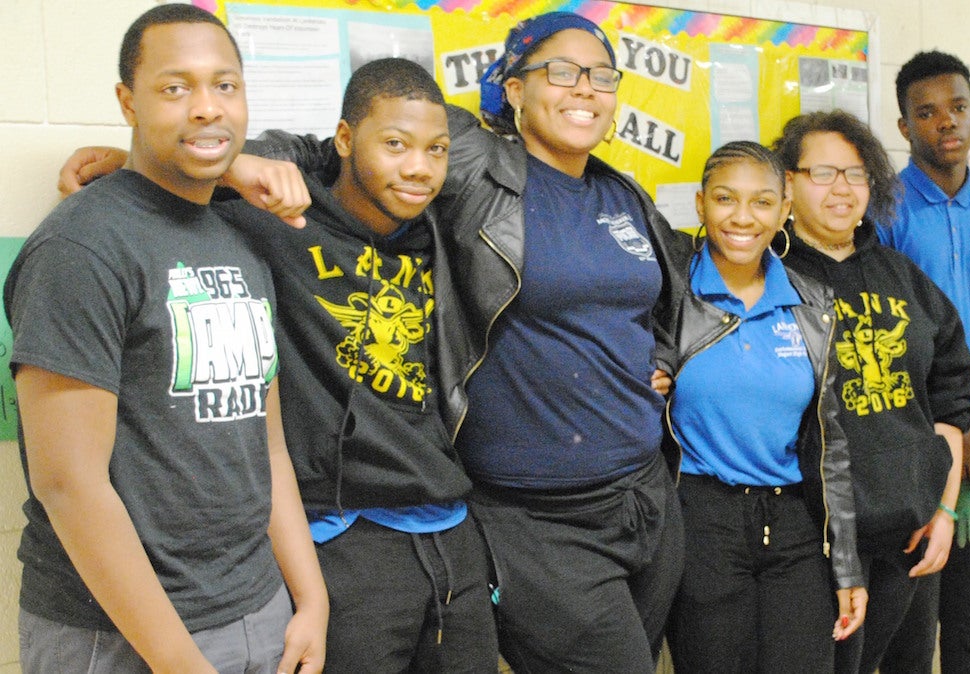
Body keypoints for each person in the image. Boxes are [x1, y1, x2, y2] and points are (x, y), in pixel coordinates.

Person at [207, 11, 694, 672]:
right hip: (536, 515)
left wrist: (659, 361)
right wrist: (207, 163)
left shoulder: (622, 192)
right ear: (515, 89)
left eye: (602, 76)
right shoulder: (472, 160)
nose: (586, 88)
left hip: (643, 499)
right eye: (562, 71)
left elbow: (662, 303)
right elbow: (339, 149)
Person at [55, 57, 500, 672]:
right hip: (343, 536)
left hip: (451, 530)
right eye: (394, 144)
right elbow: (176, 178)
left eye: (436, 150)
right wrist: (146, 157)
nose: (418, 167)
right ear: (345, 140)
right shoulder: (273, 219)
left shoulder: (442, 230)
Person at [8, 4, 327, 673]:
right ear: (127, 101)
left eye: (225, 85)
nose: (208, 108)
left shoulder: (239, 242)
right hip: (120, 633)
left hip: (258, 609)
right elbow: (70, 485)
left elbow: (262, 441)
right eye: (175, 87)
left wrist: (311, 599)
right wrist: (180, 663)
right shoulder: (81, 247)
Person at [771, 110, 970, 674]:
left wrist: (943, 508)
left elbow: (951, 400)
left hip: (910, 530)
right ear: (787, 182)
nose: (843, 188)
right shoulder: (769, 276)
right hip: (817, 537)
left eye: (857, 174)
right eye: (824, 172)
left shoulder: (901, 274)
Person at [664, 141, 865, 673]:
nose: (743, 218)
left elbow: (831, 445)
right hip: (701, 517)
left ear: (784, 209)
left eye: (762, 202)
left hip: (794, 522)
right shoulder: (670, 294)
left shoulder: (812, 302)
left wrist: (847, 567)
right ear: (701, 203)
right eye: (727, 199)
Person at [877, 50, 970, 674]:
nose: (947, 122)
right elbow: (881, 342)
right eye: (928, 112)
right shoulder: (883, 213)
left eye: (958, 107)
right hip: (913, 458)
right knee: (905, 646)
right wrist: (952, 431)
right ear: (905, 125)